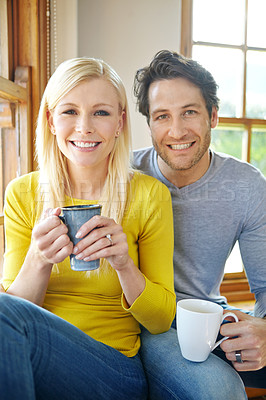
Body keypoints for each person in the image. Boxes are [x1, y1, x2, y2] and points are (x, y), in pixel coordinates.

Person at [0, 57, 176, 399]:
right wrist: (38, 260)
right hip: (38, 361)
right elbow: (14, 313)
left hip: (113, 370)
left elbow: (160, 320)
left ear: (120, 123)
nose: (84, 127)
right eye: (69, 112)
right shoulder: (22, 194)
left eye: (101, 112)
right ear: (51, 120)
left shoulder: (149, 195)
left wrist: (124, 264)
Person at [133, 50, 266, 400]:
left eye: (189, 112)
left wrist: (264, 330)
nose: (176, 131)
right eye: (162, 116)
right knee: (220, 392)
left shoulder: (247, 185)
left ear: (214, 117)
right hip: (140, 319)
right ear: (149, 125)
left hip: (206, 317)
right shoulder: (125, 176)